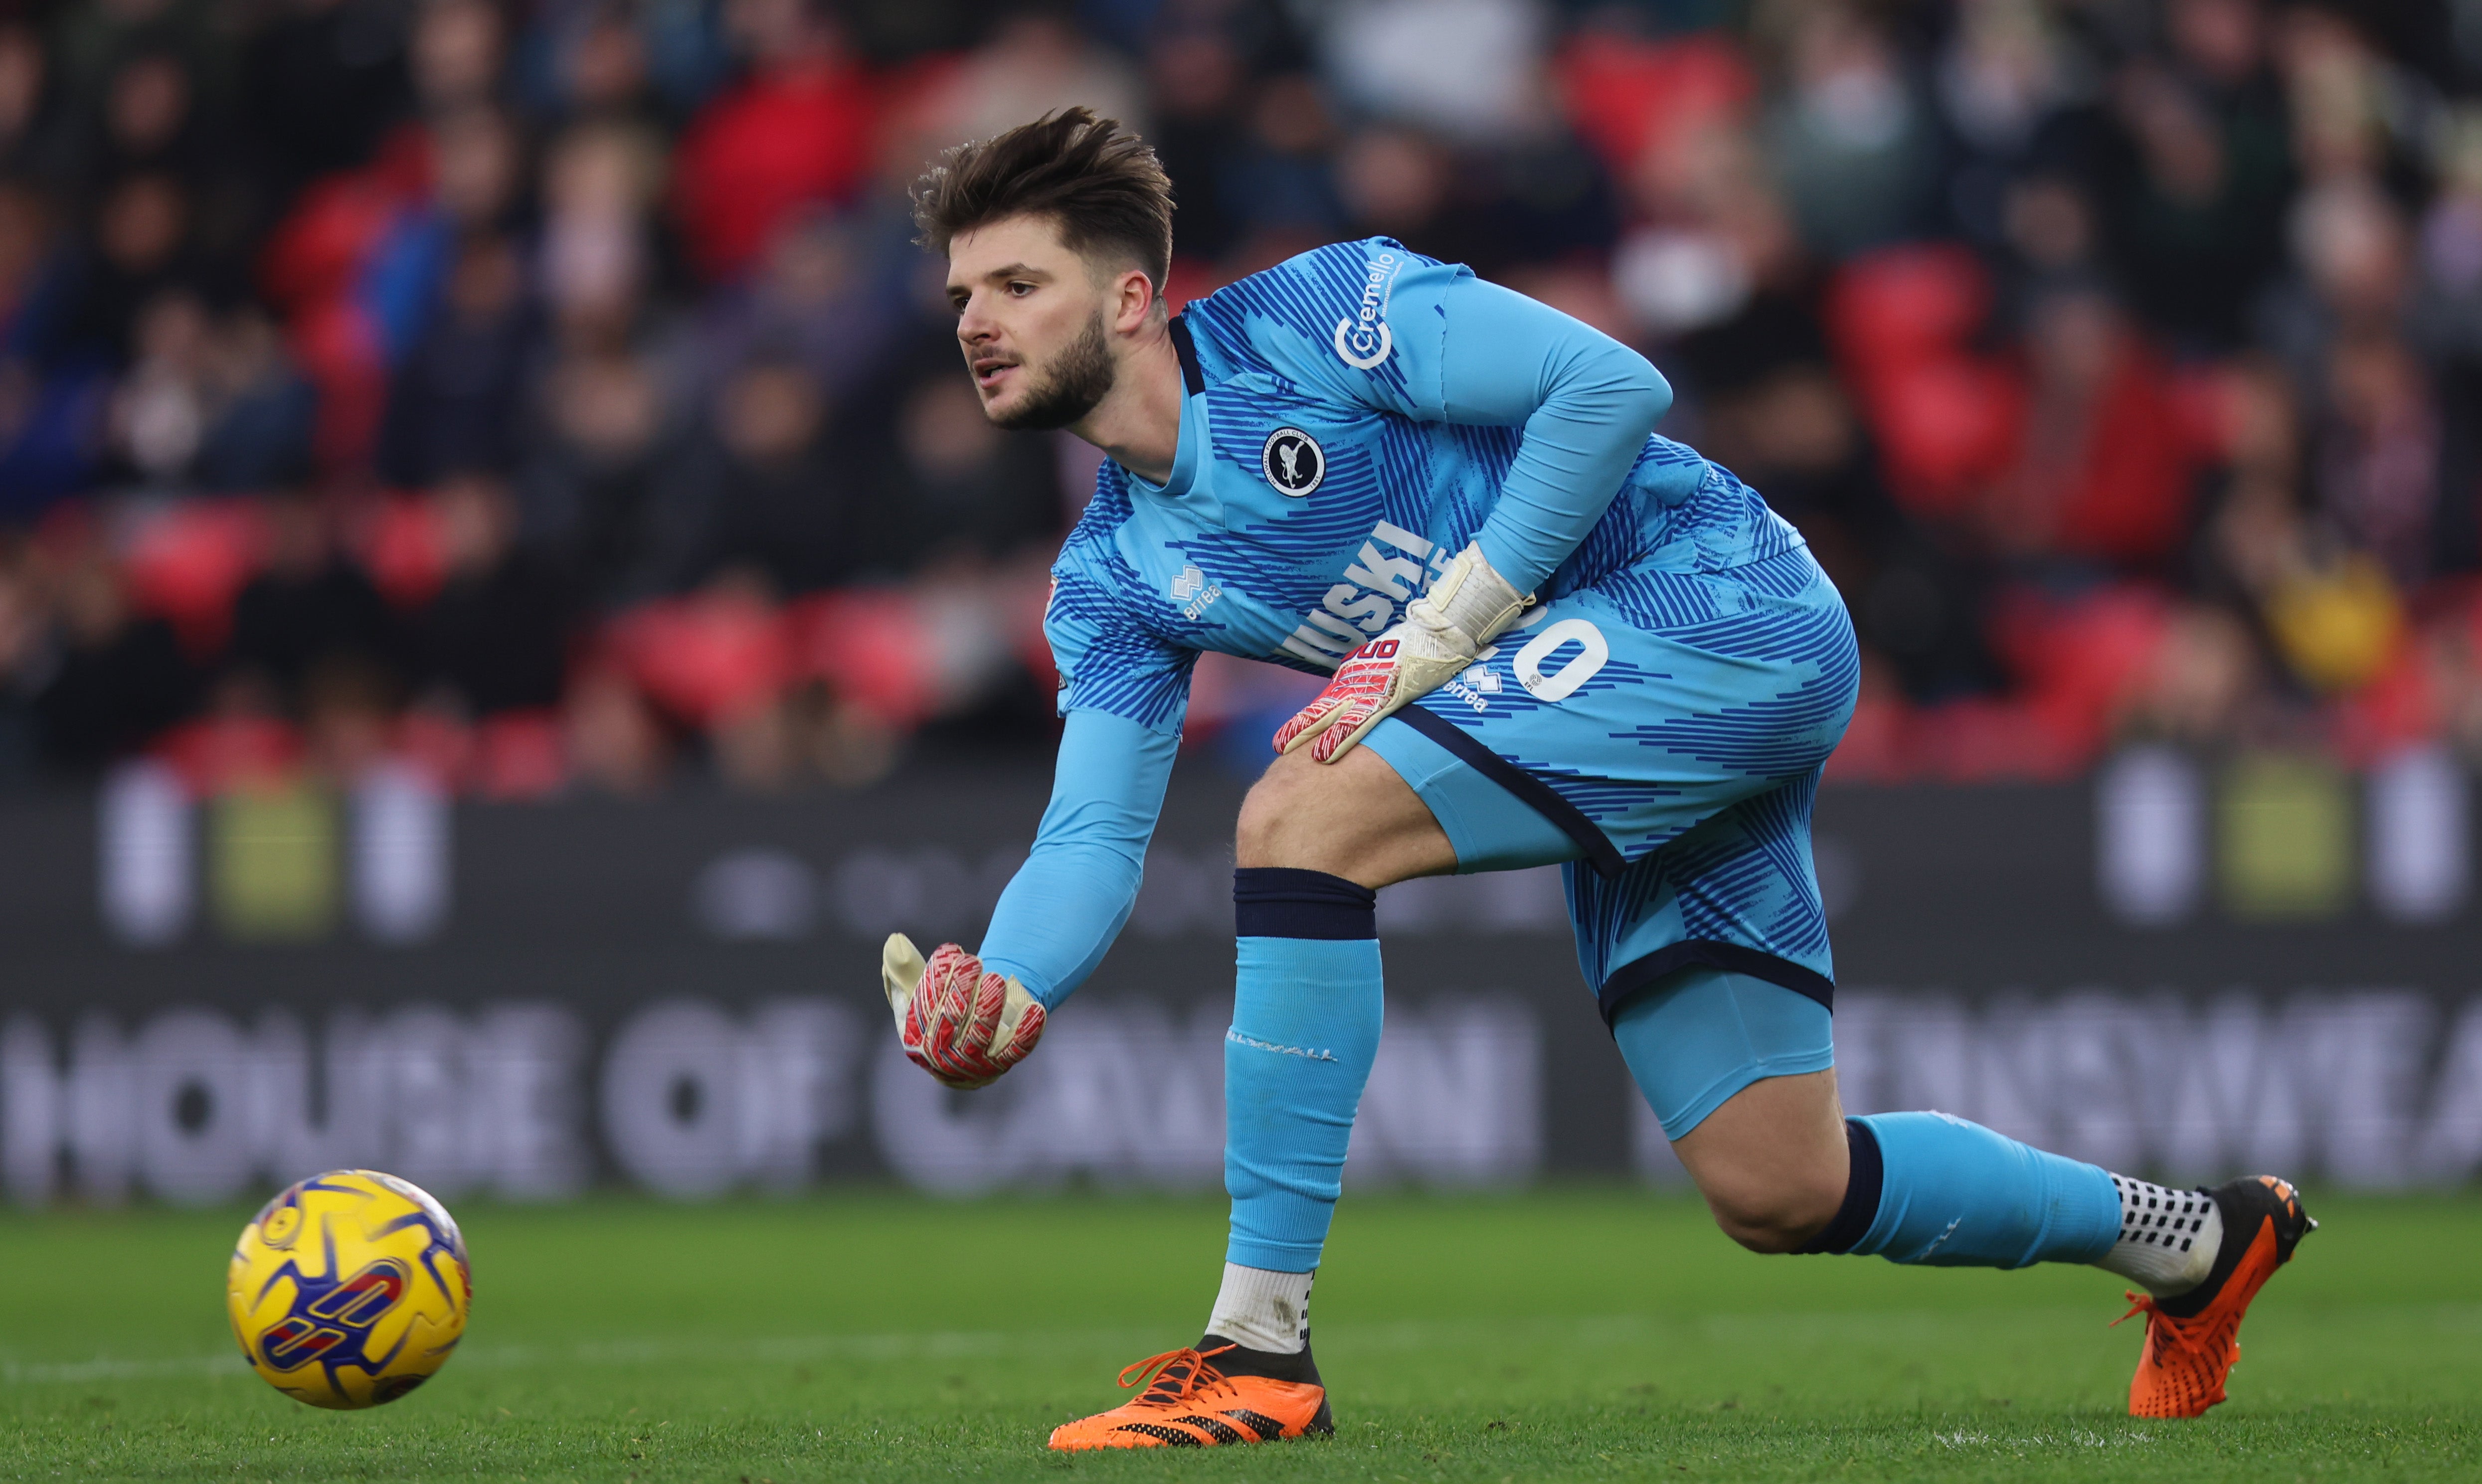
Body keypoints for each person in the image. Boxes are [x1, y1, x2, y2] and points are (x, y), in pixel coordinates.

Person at [883, 109, 2313, 1451]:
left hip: (1713, 602)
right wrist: (1015, 982)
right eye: (962, 297)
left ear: (1129, 299)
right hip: (1604, 706)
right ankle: (2194, 1237)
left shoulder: (1321, 315)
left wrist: (1436, 630)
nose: (978, 325)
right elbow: (1090, 832)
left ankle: (1259, 1348)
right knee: (1777, 1182)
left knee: (1299, 810)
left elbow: (1609, 383)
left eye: (1015, 283)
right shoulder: (1111, 579)